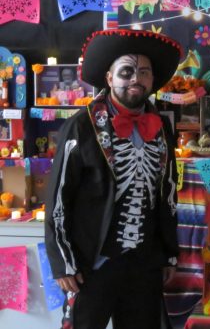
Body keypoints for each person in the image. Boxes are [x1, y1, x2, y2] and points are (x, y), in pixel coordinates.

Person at [45, 29, 182, 329]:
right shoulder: (81, 127)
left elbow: (168, 195)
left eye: (143, 72)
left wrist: (169, 253)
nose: (136, 78)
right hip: (92, 264)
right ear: (109, 78)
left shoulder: (160, 129)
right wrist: (63, 262)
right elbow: (58, 199)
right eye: (126, 71)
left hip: (144, 265)